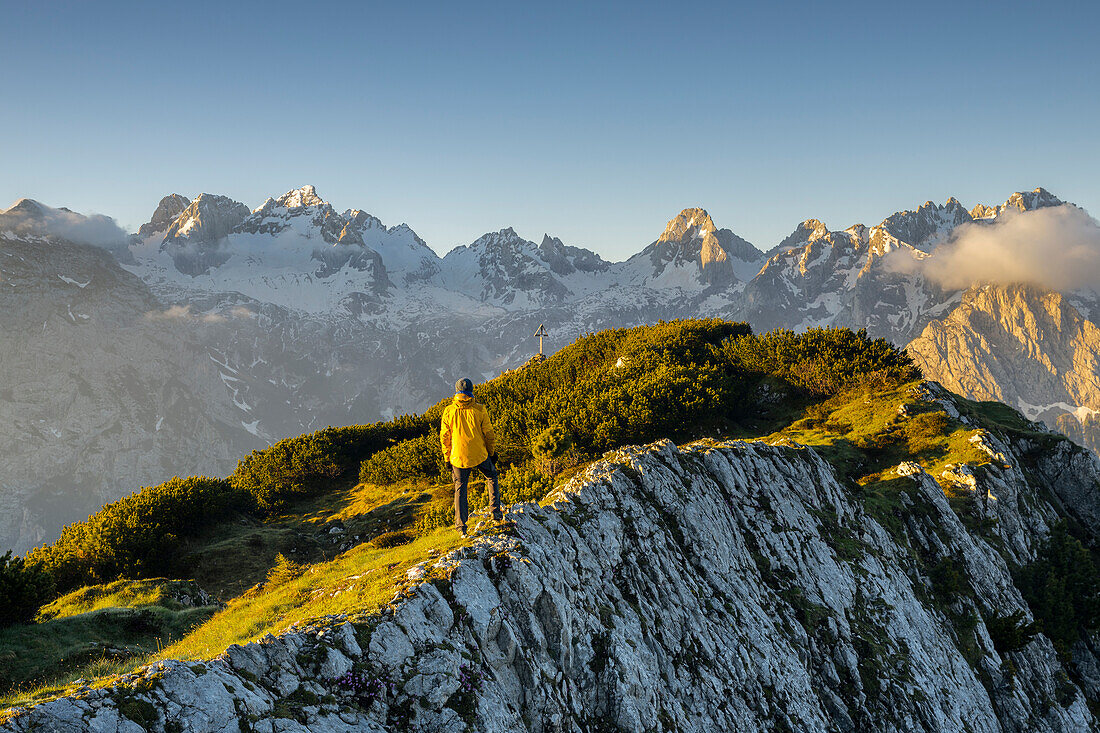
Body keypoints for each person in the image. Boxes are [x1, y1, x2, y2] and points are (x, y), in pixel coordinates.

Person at [440, 378, 502, 535]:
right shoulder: (480, 409)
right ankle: (495, 513)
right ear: (472, 391)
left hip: (458, 457)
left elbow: (445, 437)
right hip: (480, 454)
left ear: (456, 392)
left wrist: (447, 458)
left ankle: (461, 528)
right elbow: (489, 435)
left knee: (460, 488)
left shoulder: (448, 411)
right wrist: (492, 453)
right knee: (491, 476)